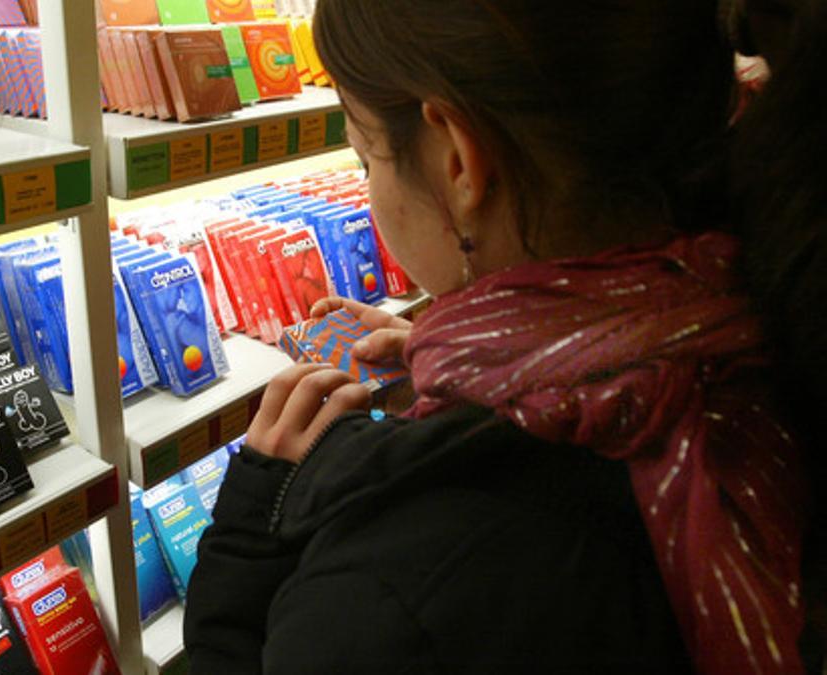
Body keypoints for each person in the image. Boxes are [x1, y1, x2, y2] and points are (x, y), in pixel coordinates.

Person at [183, 0, 825, 673]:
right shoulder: (767, 312)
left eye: (364, 155)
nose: (369, 184)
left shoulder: (398, 592)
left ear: (458, 160)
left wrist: (248, 538)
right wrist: (490, 365)